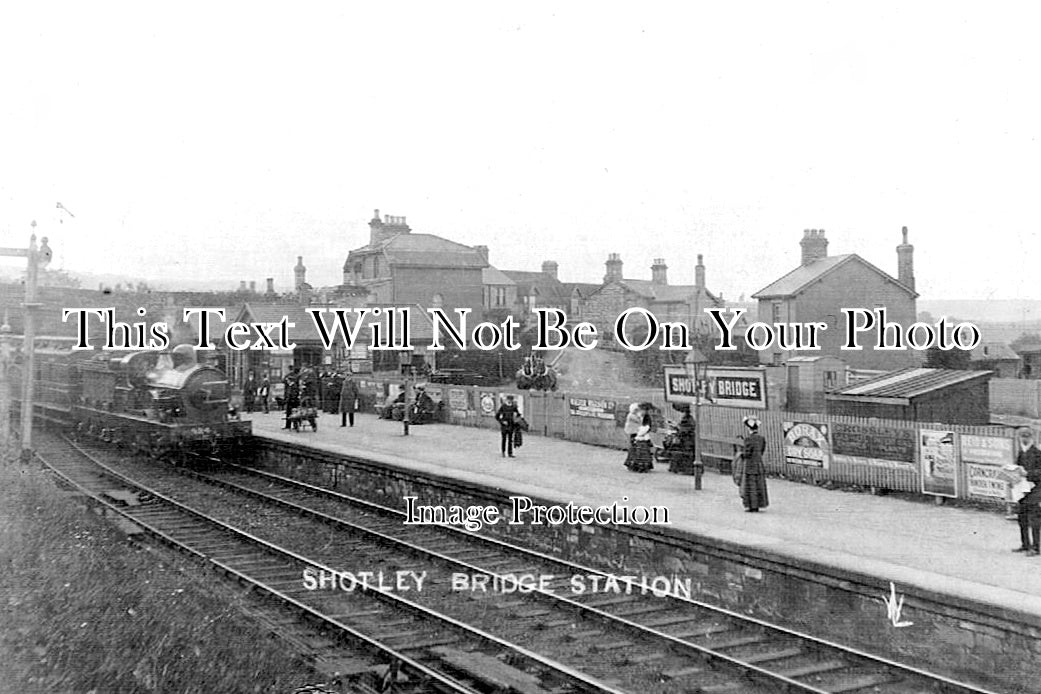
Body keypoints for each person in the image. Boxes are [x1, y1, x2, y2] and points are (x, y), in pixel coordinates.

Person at [1012, 427, 1041, 555]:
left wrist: (1028, 473)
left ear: (1032, 438)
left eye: (1027, 437)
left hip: (1036, 489)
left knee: (1034, 519)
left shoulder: (1037, 453)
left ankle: (1035, 547)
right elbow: (1017, 469)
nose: (1024, 439)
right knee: (1022, 518)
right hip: (1022, 489)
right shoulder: (1021, 452)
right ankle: (1025, 544)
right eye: (1022, 437)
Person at [736, 416, 768, 512]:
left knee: (751, 487)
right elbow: (762, 450)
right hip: (759, 465)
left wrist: (740, 454)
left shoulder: (748, 439)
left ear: (749, 428)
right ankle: (759, 504)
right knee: (759, 485)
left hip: (750, 466)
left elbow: (747, 454)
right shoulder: (761, 438)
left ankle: (752, 506)